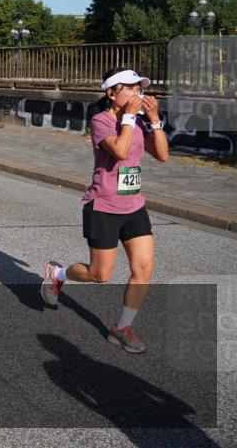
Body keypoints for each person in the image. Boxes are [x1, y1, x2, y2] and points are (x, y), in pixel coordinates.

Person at [41, 68, 169, 354]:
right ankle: (57, 274)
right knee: (100, 275)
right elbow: (120, 151)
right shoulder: (101, 121)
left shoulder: (138, 122)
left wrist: (154, 120)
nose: (137, 94)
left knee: (143, 269)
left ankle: (122, 328)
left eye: (139, 89)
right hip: (103, 207)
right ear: (111, 93)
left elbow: (162, 155)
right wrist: (129, 117)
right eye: (130, 88)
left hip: (134, 206)